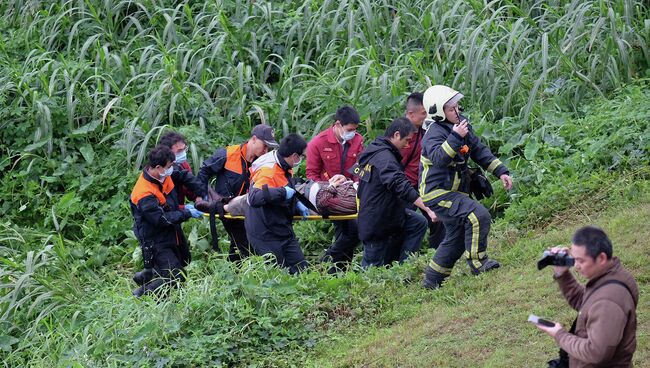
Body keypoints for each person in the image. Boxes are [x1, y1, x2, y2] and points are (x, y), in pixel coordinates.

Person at [419, 85, 513, 289]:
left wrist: (501, 171)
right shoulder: (433, 134)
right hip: (436, 193)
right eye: (452, 109)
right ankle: (479, 263)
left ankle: (432, 280)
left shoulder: (461, 125)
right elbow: (439, 159)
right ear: (438, 111)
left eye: (457, 107)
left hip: (455, 192)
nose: (457, 111)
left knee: (458, 236)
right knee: (478, 215)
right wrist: (455, 137)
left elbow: (479, 150)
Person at [535, 226, 638, 368]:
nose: (576, 266)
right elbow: (586, 303)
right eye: (574, 259)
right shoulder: (614, 275)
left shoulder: (609, 301)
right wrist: (562, 274)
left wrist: (560, 334)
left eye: (581, 260)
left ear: (601, 258)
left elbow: (595, 352)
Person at [356, 117, 437, 268]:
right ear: (396, 135)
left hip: (388, 213)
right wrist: (427, 208)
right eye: (406, 140)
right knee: (371, 271)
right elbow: (401, 185)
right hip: (376, 221)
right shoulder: (385, 158)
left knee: (418, 223)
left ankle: (404, 269)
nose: (407, 145)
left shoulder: (374, 150)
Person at [130, 145, 206, 297]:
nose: (172, 169)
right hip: (155, 238)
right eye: (169, 166)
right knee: (175, 275)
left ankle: (147, 276)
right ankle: (142, 293)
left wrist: (196, 196)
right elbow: (161, 219)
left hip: (171, 231)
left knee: (184, 260)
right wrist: (186, 213)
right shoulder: (144, 193)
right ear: (158, 167)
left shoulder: (163, 175)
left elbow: (182, 178)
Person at [196, 124, 278, 260]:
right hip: (225, 207)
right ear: (253, 139)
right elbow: (204, 171)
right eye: (264, 145)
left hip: (248, 208)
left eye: (269, 147)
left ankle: (234, 273)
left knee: (240, 244)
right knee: (244, 242)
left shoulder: (263, 162)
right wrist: (201, 195)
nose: (266, 150)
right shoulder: (228, 154)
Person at [306, 106, 363, 270]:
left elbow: (361, 168)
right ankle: (330, 265)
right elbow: (312, 176)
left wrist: (354, 184)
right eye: (349, 129)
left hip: (351, 194)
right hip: (329, 196)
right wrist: (330, 187)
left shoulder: (357, 141)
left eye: (354, 129)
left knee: (352, 230)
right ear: (338, 124)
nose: (352, 133)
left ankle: (335, 269)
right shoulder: (318, 143)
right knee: (351, 230)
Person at [245, 133, 310, 274]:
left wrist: (296, 202)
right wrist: (282, 193)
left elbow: (286, 186)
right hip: (265, 232)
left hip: (282, 228)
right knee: (278, 276)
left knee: (303, 271)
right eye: (302, 156)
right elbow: (253, 198)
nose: (302, 159)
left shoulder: (285, 165)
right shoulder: (268, 171)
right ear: (294, 156)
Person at [400, 92, 445, 249]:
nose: (427, 117)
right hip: (404, 187)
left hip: (424, 184)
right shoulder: (400, 133)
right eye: (424, 113)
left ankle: (437, 254)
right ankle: (403, 262)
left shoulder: (425, 128)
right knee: (404, 224)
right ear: (411, 114)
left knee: (438, 218)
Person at [159, 131, 197, 207]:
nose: (183, 153)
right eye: (180, 151)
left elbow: (189, 186)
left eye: (184, 149)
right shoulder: (160, 172)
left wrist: (199, 197)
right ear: (167, 152)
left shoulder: (183, 164)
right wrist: (183, 210)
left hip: (178, 208)